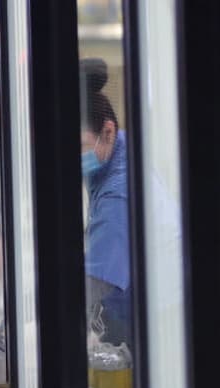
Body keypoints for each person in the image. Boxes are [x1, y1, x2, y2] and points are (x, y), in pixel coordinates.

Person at [80, 59, 132, 347]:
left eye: (81, 147)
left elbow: (95, 286)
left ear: (108, 132)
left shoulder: (118, 198)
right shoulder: (117, 149)